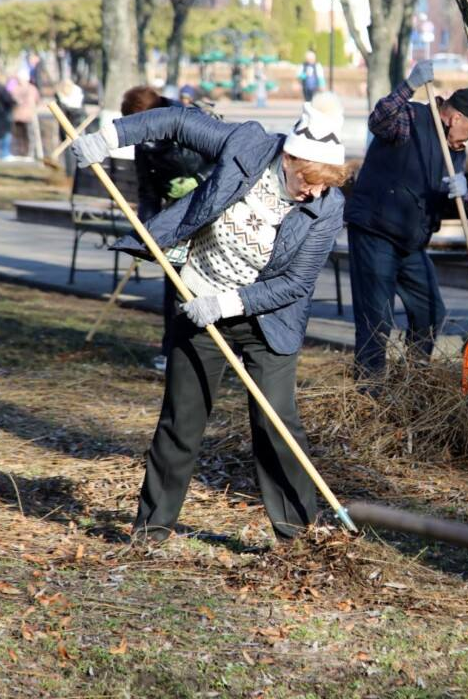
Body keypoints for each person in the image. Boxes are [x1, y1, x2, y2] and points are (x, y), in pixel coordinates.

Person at [68, 92, 352, 545]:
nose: (315, 191)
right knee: (183, 418)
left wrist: (227, 305)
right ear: (290, 157)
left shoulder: (327, 206)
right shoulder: (248, 146)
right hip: (198, 289)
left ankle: (298, 538)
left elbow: (296, 283)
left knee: (276, 422)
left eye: (325, 184)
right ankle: (151, 531)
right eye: (310, 179)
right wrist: (109, 138)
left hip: (267, 318)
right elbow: (178, 122)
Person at [344, 60, 468, 381]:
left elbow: (452, 191)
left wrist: (463, 192)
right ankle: (370, 389)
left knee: (429, 311)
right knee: (377, 319)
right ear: (455, 118)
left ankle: (413, 379)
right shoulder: (411, 118)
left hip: (412, 242)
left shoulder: (456, 150)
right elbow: (379, 120)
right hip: (375, 231)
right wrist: (409, 84)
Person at [120, 85, 217, 371]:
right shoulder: (145, 144)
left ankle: (227, 351)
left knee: (214, 281)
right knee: (174, 282)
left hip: (213, 212)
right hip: (176, 218)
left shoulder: (191, 121)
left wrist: (200, 179)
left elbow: (226, 160)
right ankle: (171, 350)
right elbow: (147, 192)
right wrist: (145, 232)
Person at [10, 72, 40, 158]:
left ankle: (28, 153)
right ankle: (21, 152)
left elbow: (37, 100)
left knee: (28, 135)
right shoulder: (16, 89)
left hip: (27, 115)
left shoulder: (31, 89)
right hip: (19, 116)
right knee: (20, 135)